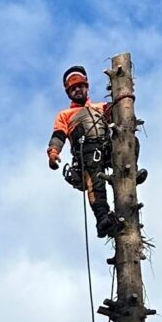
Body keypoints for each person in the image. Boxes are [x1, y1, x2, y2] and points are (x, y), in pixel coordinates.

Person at [47, 64, 115, 235]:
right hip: (87, 151)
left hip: (108, 146)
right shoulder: (65, 115)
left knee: (131, 143)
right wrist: (54, 152)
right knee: (95, 182)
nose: (77, 90)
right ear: (68, 92)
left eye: (80, 86)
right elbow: (59, 135)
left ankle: (131, 172)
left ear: (87, 86)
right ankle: (103, 218)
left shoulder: (101, 107)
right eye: (73, 88)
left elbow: (121, 112)